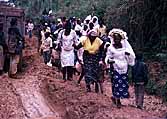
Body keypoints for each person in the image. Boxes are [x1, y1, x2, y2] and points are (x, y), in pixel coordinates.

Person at [105, 28, 135, 108]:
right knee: (116, 83)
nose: (116, 40)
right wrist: (109, 61)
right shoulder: (111, 48)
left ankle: (117, 98)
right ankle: (117, 100)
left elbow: (131, 56)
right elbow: (108, 56)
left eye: (118, 38)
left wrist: (128, 55)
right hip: (115, 67)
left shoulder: (125, 47)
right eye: (115, 39)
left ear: (121, 39)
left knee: (123, 84)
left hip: (124, 68)